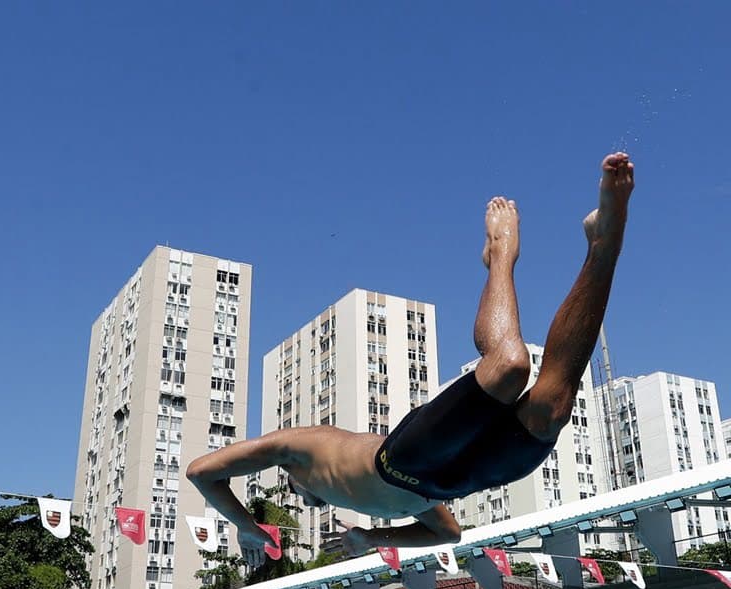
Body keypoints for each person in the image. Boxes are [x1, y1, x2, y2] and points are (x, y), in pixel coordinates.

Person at [187, 154, 635, 565]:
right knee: (553, 404)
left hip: (404, 459)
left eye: (298, 493)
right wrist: (372, 540)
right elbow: (449, 534)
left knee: (510, 366)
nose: (306, 501)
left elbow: (202, 472)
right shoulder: (371, 503)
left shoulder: (296, 448)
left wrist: (247, 527)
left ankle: (500, 251)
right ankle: (604, 244)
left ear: (293, 475)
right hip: (450, 481)